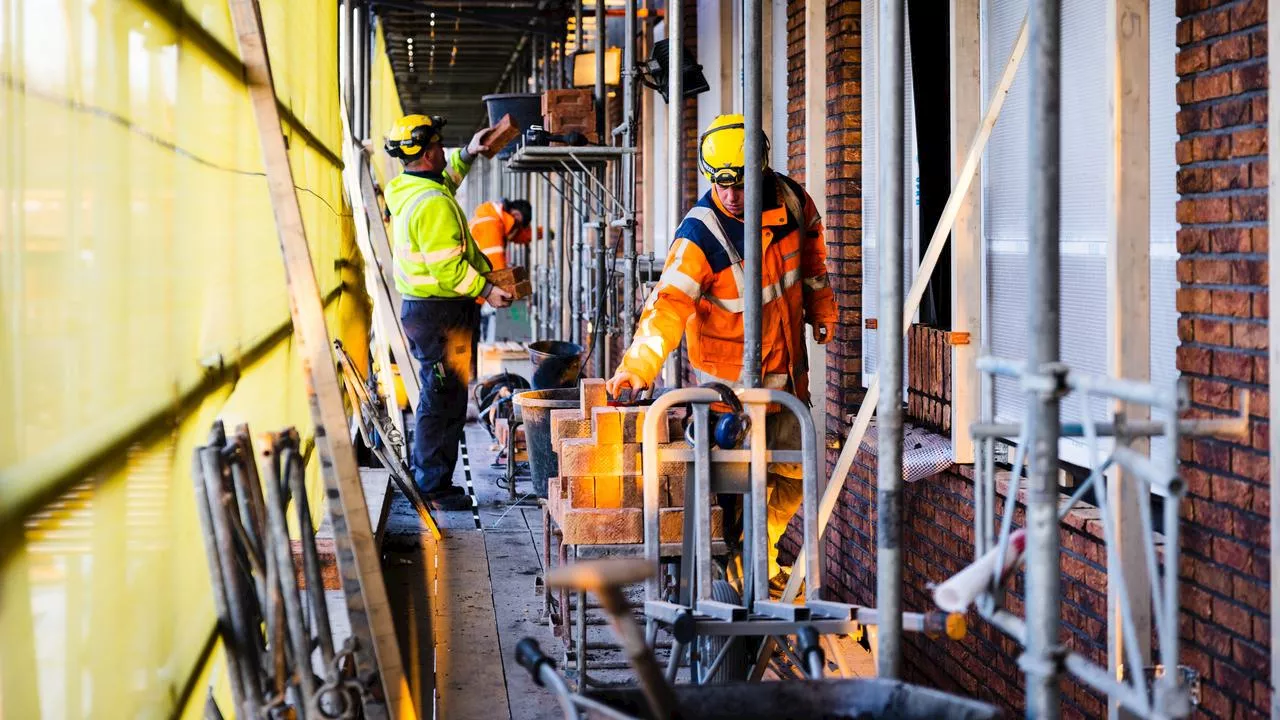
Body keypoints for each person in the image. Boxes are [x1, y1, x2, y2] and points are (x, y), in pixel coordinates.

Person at [605, 114, 837, 590]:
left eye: (740, 183)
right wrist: (636, 368)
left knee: (794, 471)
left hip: (789, 381)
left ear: (764, 170)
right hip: (730, 394)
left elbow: (813, 260)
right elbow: (666, 307)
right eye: (719, 183)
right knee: (735, 491)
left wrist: (822, 309)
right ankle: (743, 576)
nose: (729, 195)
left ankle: (758, 555)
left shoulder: (793, 202)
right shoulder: (700, 235)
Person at [384, 113, 514, 511]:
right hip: (443, 315)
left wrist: (471, 153)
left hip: (429, 313)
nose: (445, 149)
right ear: (426, 154)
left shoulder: (410, 188)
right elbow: (448, 270)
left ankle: (432, 479)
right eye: (439, 145)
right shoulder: (434, 205)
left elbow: (446, 179)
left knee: (445, 395)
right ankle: (432, 487)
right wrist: (487, 289)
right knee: (442, 399)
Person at [470, 198, 532, 341]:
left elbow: (519, 235)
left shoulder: (495, 219)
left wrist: (545, 232)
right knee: (469, 342)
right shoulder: (491, 224)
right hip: (471, 293)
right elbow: (497, 269)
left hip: (472, 289)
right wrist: (514, 295)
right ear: (515, 216)